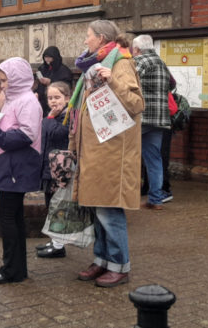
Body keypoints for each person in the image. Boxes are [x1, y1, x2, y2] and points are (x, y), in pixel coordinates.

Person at [69, 20, 143, 288]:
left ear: (100, 38)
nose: (85, 41)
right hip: (97, 152)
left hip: (112, 154)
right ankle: (102, 260)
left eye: (87, 36)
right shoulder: (94, 66)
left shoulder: (120, 63)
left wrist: (113, 81)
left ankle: (120, 265)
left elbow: (136, 103)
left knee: (109, 212)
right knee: (97, 209)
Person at [0, 57, 43, 284]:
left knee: (8, 218)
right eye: (0, 81)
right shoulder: (15, 99)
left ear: (17, 79)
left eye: (5, 81)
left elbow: (27, 134)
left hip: (17, 166)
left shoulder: (27, 101)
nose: (2, 85)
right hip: (10, 165)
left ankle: (10, 270)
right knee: (13, 217)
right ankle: (16, 269)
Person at [131, 34, 173, 209]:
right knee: (155, 159)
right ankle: (155, 199)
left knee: (127, 156)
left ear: (137, 49)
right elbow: (171, 85)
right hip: (160, 118)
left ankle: (127, 199)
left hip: (143, 116)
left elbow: (128, 82)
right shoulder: (161, 63)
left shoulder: (141, 60)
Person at [36, 81, 71, 258]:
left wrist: (50, 118)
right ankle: (54, 240)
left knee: (57, 207)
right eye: (50, 98)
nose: (53, 101)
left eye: (57, 97)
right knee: (50, 205)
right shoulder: (52, 116)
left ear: (67, 98)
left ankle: (59, 246)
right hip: (49, 169)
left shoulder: (67, 116)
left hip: (60, 171)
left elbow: (57, 134)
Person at [36, 46, 73, 117]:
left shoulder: (63, 70)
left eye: (49, 57)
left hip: (57, 103)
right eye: (45, 57)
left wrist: (50, 82)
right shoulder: (43, 68)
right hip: (43, 101)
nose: (47, 60)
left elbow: (66, 85)